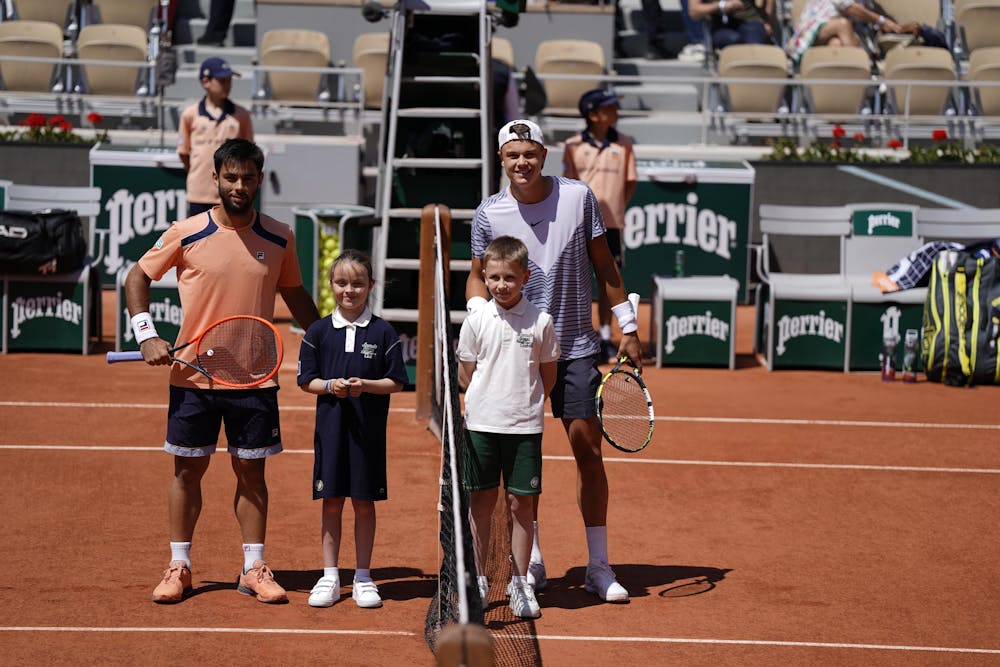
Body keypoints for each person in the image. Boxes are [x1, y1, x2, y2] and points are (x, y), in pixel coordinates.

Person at [126, 138, 321, 605]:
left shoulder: (279, 237)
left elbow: (295, 296)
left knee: (251, 474)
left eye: (248, 177)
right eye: (230, 177)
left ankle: (253, 567)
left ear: (258, 180)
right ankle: (180, 565)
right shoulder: (186, 231)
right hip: (193, 378)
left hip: (255, 377)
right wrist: (146, 333)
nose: (239, 185)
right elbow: (138, 277)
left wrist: (329, 341)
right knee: (187, 472)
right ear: (214, 179)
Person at [466, 119, 643, 604]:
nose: (521, 162)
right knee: (518, 462)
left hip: (576, 348)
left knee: (588, 450)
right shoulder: (488, 213)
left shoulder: (578, 198)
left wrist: (626, 326)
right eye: (511, 155)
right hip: (514, 357)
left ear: (543, 154)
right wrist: (478, 317)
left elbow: (605, 264)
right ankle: (534, 561)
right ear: (500, 159)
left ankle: (599, 566)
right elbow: (478, 278)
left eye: (529, 152)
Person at [297, 249, 408, 610]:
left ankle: (362, 576)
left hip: (368, 436)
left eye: (358, 284)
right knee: (331, 501)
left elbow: (396, 382)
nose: (350, 290)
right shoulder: (317, 331)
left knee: (363, 502)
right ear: (330, 286)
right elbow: (306, 381)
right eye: (342, 283)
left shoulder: (383, 331)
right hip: (330, 434)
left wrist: (367, 386)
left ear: (370, 286)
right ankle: (330, 575)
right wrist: (330, 386)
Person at [457, 236, 560, 619]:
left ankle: (519, 583)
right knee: (480, 505)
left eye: (510, 278)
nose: (501, 285)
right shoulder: (477, 320)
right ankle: (480, 581)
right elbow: (467, 371)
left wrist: (527, 405)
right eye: (494, 277)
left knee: (521, 506)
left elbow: (548, 374)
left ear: (525, 278)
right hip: (481, 426)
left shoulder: (541, 321)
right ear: (484, 276)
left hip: (525, 429)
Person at [563, 89, 638, 364]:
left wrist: (612, 210)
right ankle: (580, 334)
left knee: (609, 281)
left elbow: (630, 183)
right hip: (579, 225)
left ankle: (605, 335)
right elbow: (568, 185)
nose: (616, 111)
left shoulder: (625, 144)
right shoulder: (572, 145)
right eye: (609, 108)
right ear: (593, 115)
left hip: (612, 226)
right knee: (577, 281)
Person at [177, 57, 253, 218]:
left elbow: (249, 155)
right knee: (199, 239)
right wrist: (199, 173)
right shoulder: (190, 114)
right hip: (199, 192)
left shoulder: (241, 115)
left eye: (229, 81)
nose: (228, 85)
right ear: (206, 81)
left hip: (230, 193)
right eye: (222, 80)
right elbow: (184, 152)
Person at [786, 0, 903, 63]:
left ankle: (841, 97)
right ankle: (862, 73)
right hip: (809, 32)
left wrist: (890, 25)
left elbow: (870, 15)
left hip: (837, 36)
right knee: (843, 25)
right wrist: (881, 21)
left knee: (836, 44)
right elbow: (848, 7)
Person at [687, 0, 774, 50]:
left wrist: (768, 22)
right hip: (721, 25)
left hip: (749, 20)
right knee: (732, 40)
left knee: (754, 44)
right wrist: (722, 5)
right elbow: (694, 11)